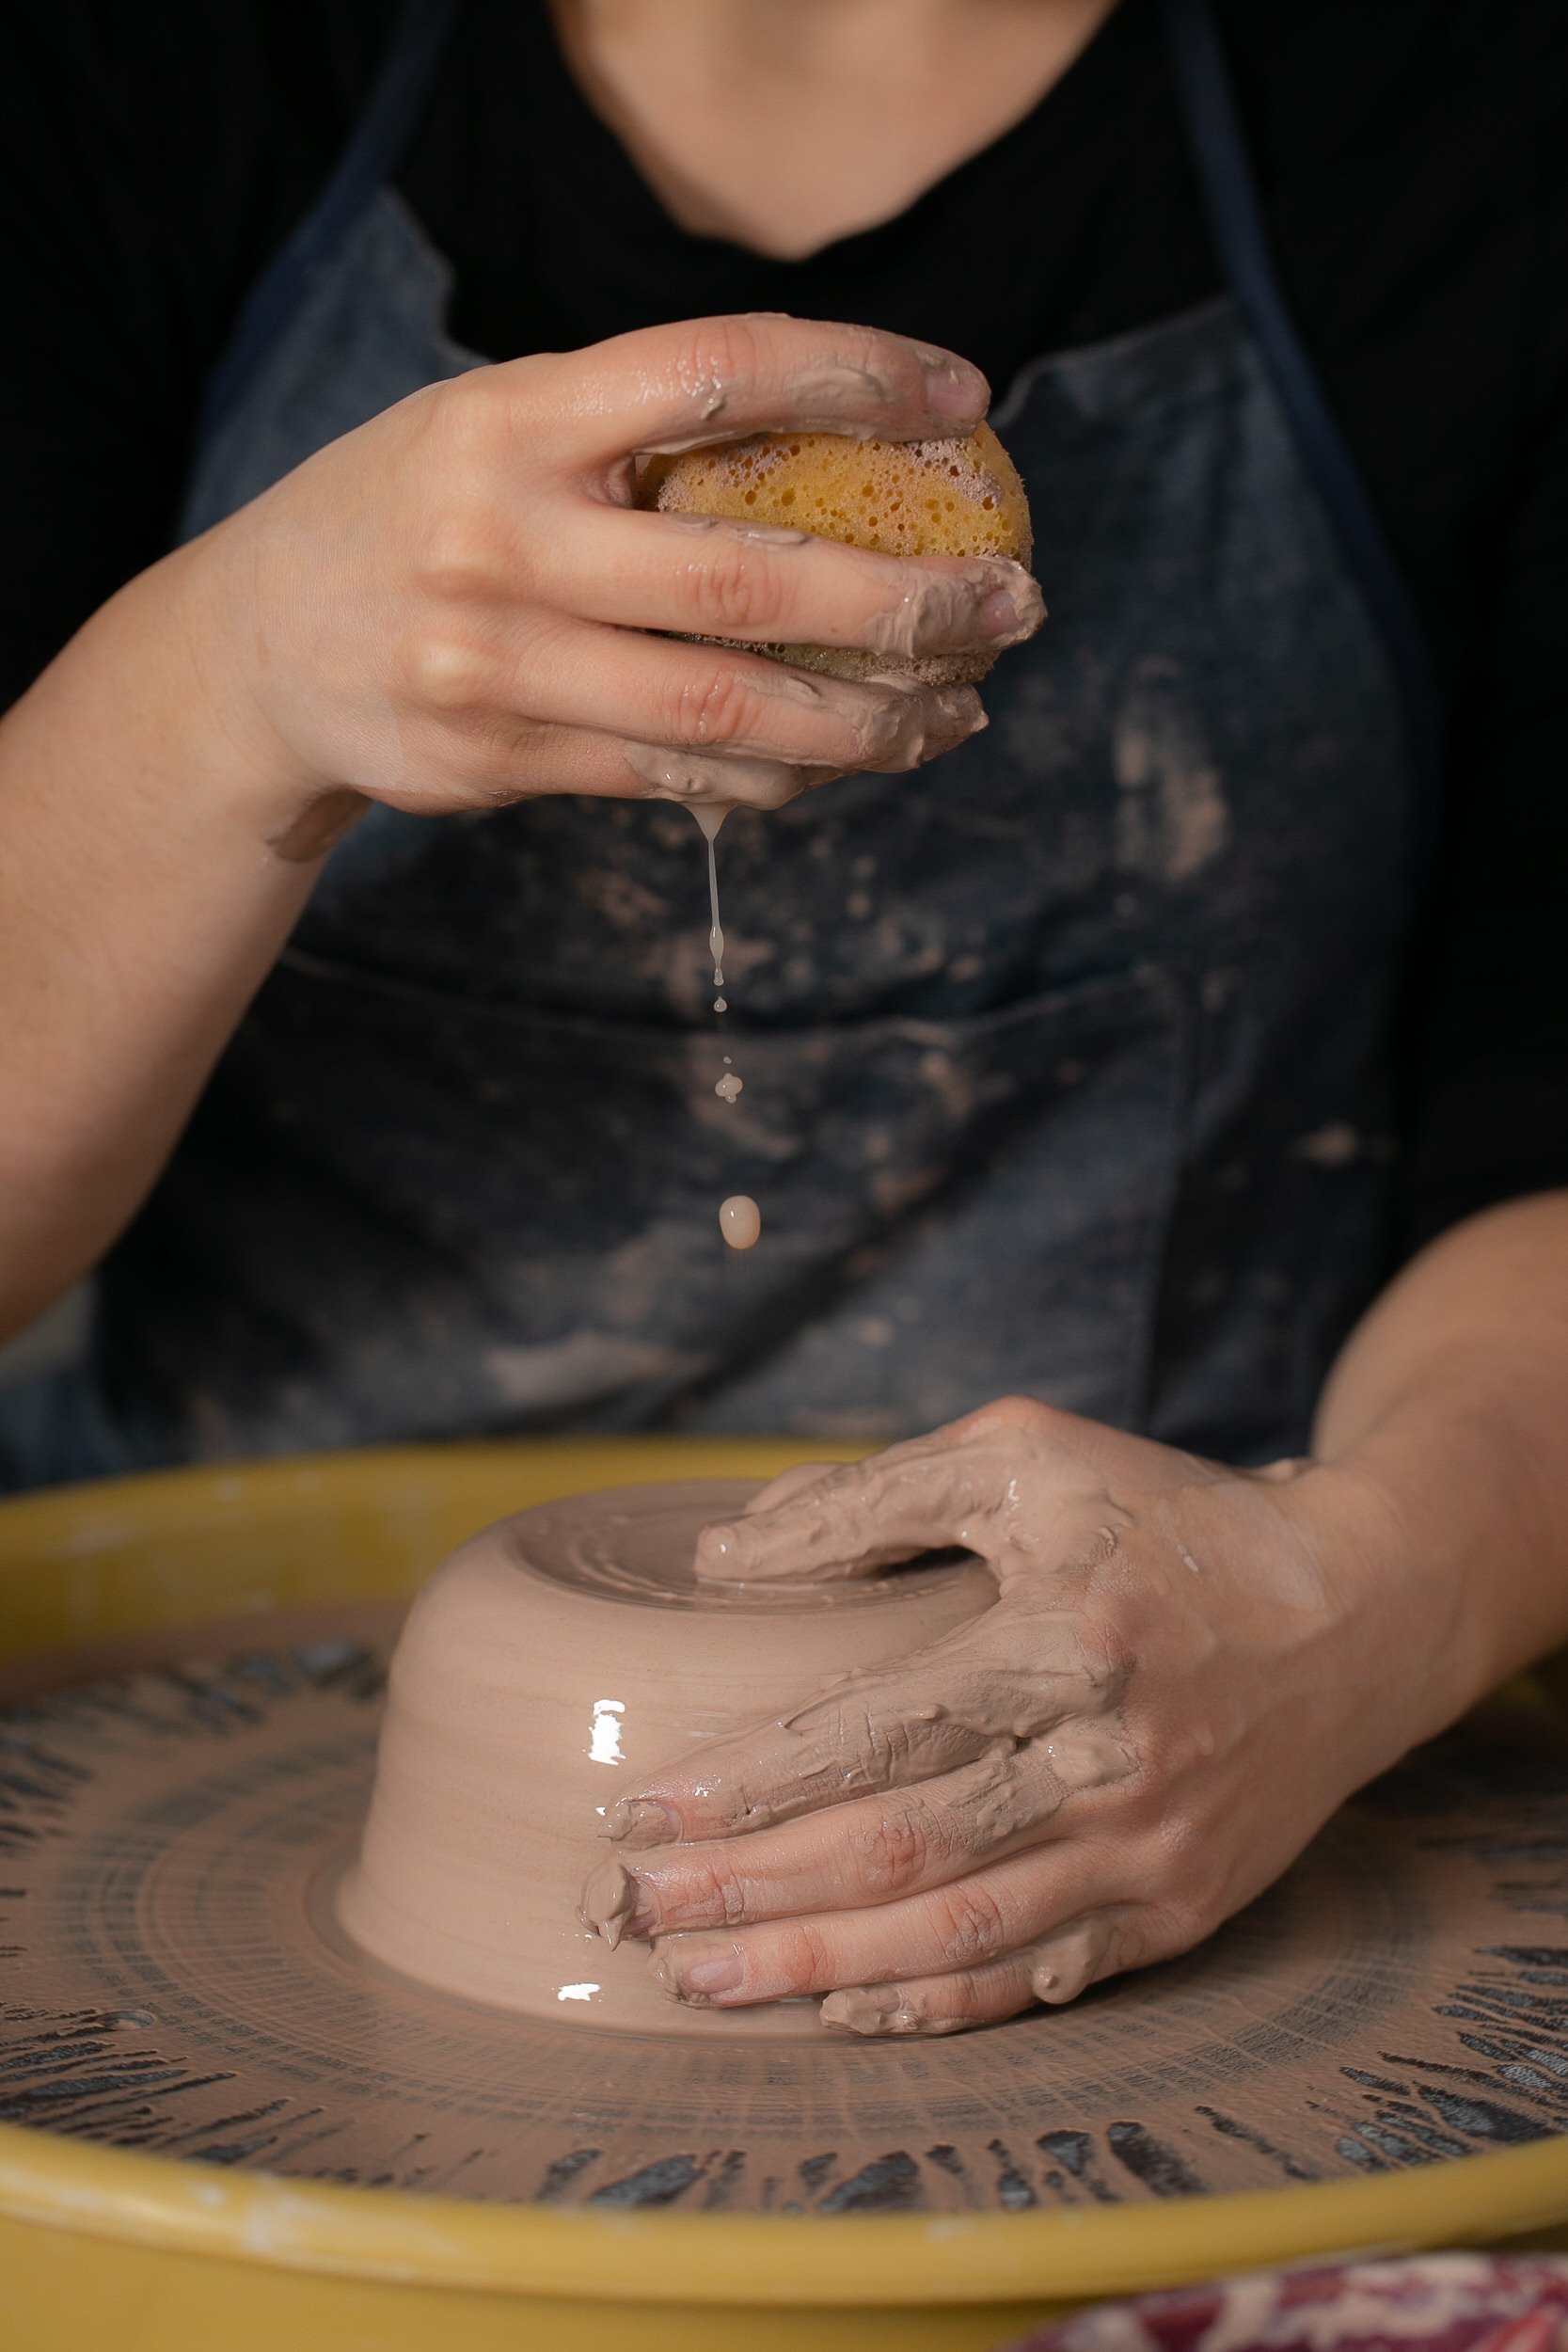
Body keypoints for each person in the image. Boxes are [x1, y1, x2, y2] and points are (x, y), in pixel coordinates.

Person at [1, 0, 1564, 2034]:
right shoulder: (122, 70)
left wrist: (1361, 1598)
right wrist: (224, 685)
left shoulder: (1477, 113)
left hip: (1176, 1740)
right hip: (221, 1726)